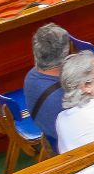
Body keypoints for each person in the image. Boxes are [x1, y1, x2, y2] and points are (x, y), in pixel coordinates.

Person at [22, 23, 72, 151]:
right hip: (66, 147)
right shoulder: (63, 96)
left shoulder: (32, 75)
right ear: (65, 52)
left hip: (49, 137)